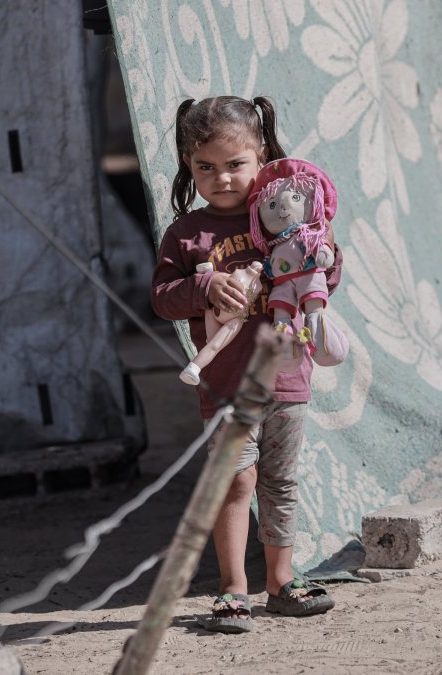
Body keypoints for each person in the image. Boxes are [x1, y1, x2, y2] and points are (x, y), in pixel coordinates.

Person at [150, 96, 339, 633]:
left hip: (287, 375)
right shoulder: (187, 234)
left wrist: (322, 254)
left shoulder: (289, 220)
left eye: (236, 165)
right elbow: (164, 298)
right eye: (205, 166)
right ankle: (234, 589)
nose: (222, 178)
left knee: (279, 481)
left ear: (262, 157)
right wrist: (207, 284)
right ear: (188, 163)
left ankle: (281, 582)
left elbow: (324, 282)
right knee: (235, 481)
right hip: (225, 384)